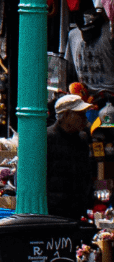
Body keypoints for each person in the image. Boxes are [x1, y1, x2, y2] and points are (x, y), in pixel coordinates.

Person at [47, 92, 96, 222]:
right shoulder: (47, 138)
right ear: (66, 115)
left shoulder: (82, 139)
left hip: (76, 211)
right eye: (80, 114)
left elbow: (86, 173)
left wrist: (88, 199)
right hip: (53, 212)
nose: (84, 118)